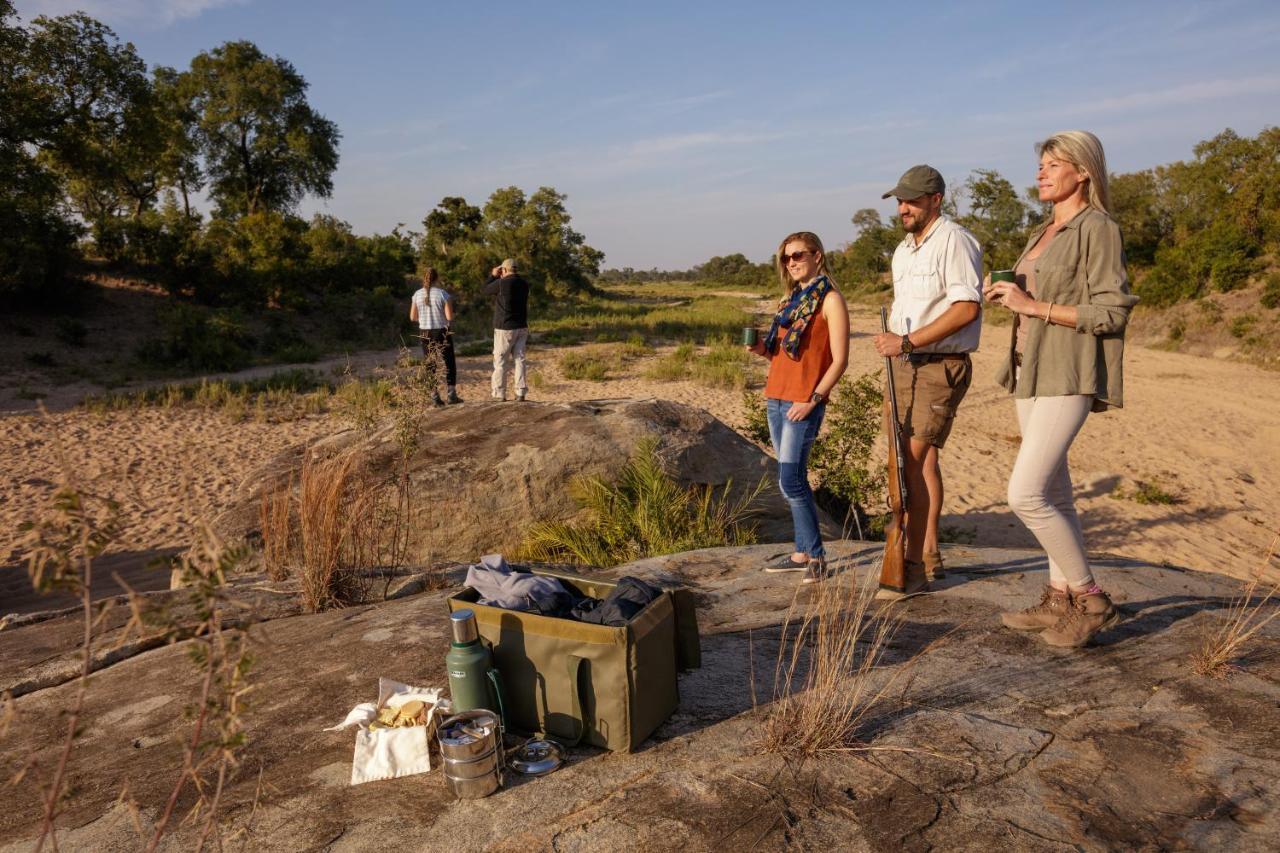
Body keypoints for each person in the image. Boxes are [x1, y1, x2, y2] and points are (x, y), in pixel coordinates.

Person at [986, 131, 1138, 648]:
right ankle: (1057, 599)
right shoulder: (1042, 230)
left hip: (1067, 371)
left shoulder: (1099, 228)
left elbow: (1113, 311)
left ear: (1084, 172)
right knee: (1055, 494)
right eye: (1041, 165)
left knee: (1024, 494)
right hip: (1029, 368)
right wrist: (1011, 296)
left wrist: (1035, 308)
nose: (1042, 173)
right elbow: (1038, 296)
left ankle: (1091, 598)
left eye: (1055, 164)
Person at [873, 165, 983, 599]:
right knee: (914, 462)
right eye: (900, 200)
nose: (903, 207)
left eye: (912, 200)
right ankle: (930, 553)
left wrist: (907, 339)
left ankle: (911, 566)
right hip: (903, 364)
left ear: (936, 199)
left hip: (937, 364)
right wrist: (901, 345)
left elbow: (966, 308)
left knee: (909, 465)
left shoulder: (954, 240)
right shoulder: (905, 249)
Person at [747, 231, 849, 585]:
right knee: (790, 479)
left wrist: (814, 399)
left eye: (798, 256)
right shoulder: (790, 300)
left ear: (818, 256)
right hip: (776, 396)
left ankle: (817, 558)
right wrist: (760, 349)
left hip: (802, 401)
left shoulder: (830, 300)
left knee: (791, 479)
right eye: (786, 258)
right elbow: (779, 354)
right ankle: (800, 553)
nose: (791, 263)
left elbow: (840, 360)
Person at [409, 267, 461, 406]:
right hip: (441, 331)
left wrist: (425, 316)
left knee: (430, 364)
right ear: (437, 279)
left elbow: (413, 317)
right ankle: (451, 394)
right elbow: (449, 316)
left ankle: (434, 396)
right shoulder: (443, 294)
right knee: (449, 361)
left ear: (423, 278)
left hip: (425, 332)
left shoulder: (417, 294)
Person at [483, 258, 530, 402]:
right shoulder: (525, 284)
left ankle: (499, 393)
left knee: (501, 361)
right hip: (521, 326)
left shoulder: (501, 283)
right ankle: (520, 392)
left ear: (503, 270)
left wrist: (492, 276)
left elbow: (484, 289)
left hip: (505, 328)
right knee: (520, 359)